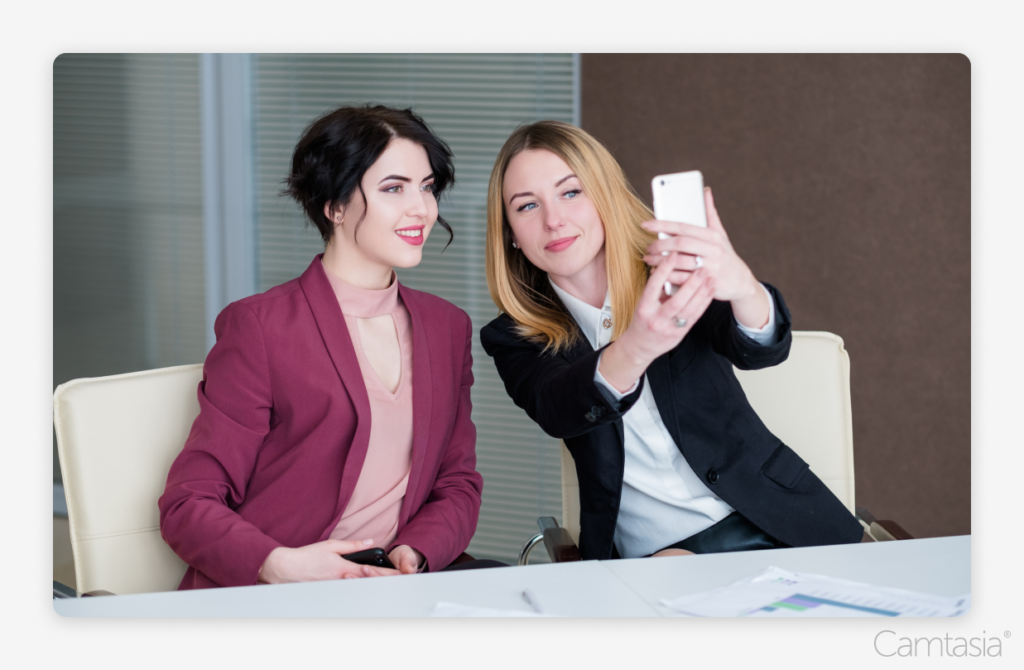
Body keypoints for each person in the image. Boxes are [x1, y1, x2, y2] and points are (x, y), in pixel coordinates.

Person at [480, 121, 863, 562]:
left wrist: (742, 286)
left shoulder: (668, 270)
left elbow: (760, 349)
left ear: (604, 195)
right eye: (527, 206)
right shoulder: (511, 336)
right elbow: (559, 409)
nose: (553, 220)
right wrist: (638, 344)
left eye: (571, 192)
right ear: (509, 232)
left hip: (778, 519)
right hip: (664, 554)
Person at [160, 105, 495, 590]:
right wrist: (276, 563)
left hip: (393, 589)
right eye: (393, 188)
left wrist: (413, 553)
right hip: (275, 594)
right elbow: (188, 503)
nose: (421, 208)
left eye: (427, 187)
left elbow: (456, 482)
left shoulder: (447, 327)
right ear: (334, 206)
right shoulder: (261, 327)